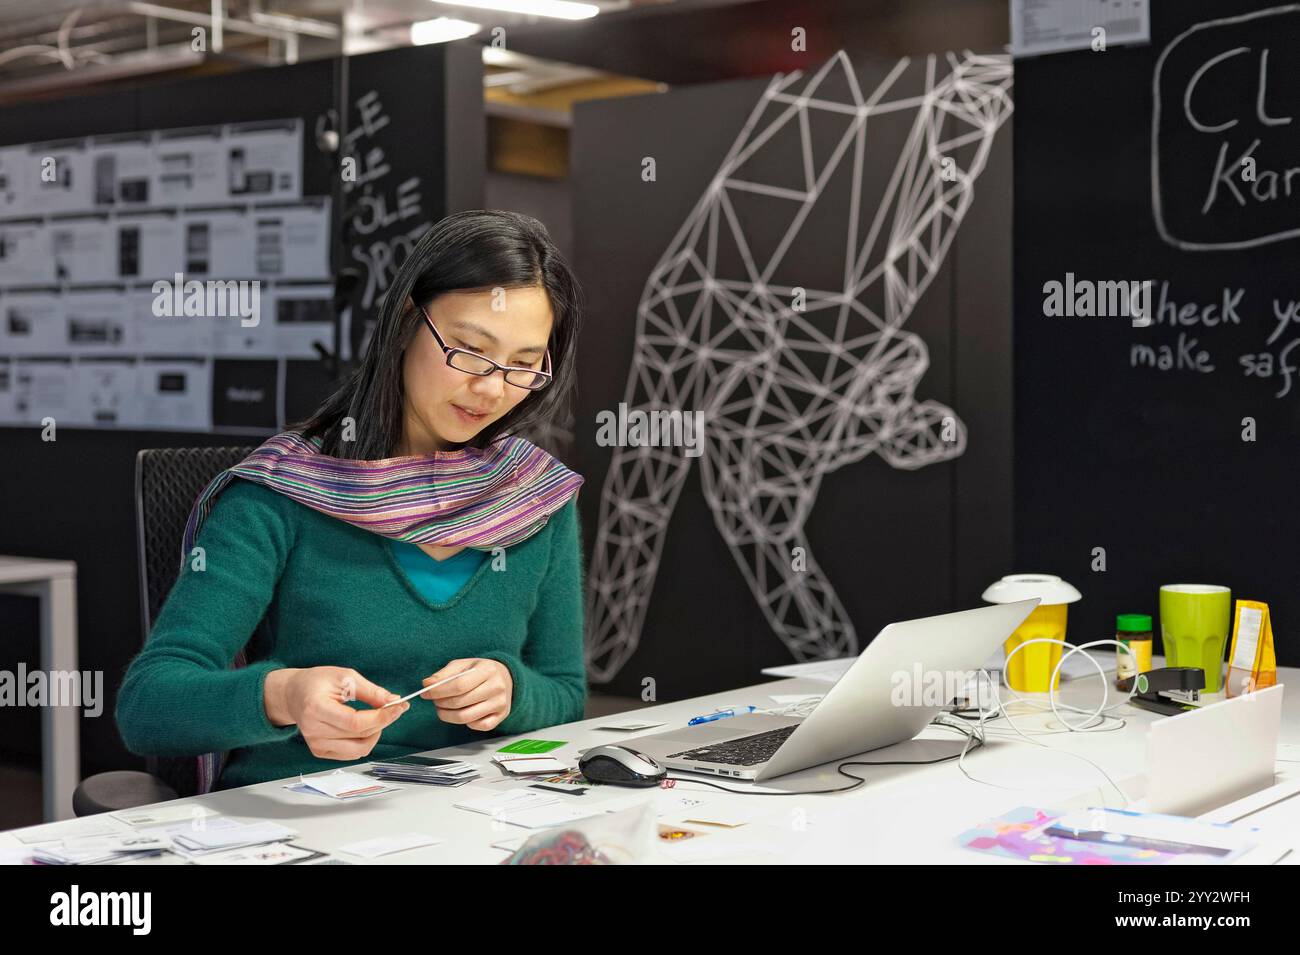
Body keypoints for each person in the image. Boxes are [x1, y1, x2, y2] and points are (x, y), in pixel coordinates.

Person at [116, 210, 587, 789]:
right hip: (304, 817)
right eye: (469, 350)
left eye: (522, 366)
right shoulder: (283, 493)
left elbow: (565, 692)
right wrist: (283, 694)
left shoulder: (533, 497)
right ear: (408, 319)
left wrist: (514, 691)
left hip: (474, 817)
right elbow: (149, 705)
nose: (491, 388)